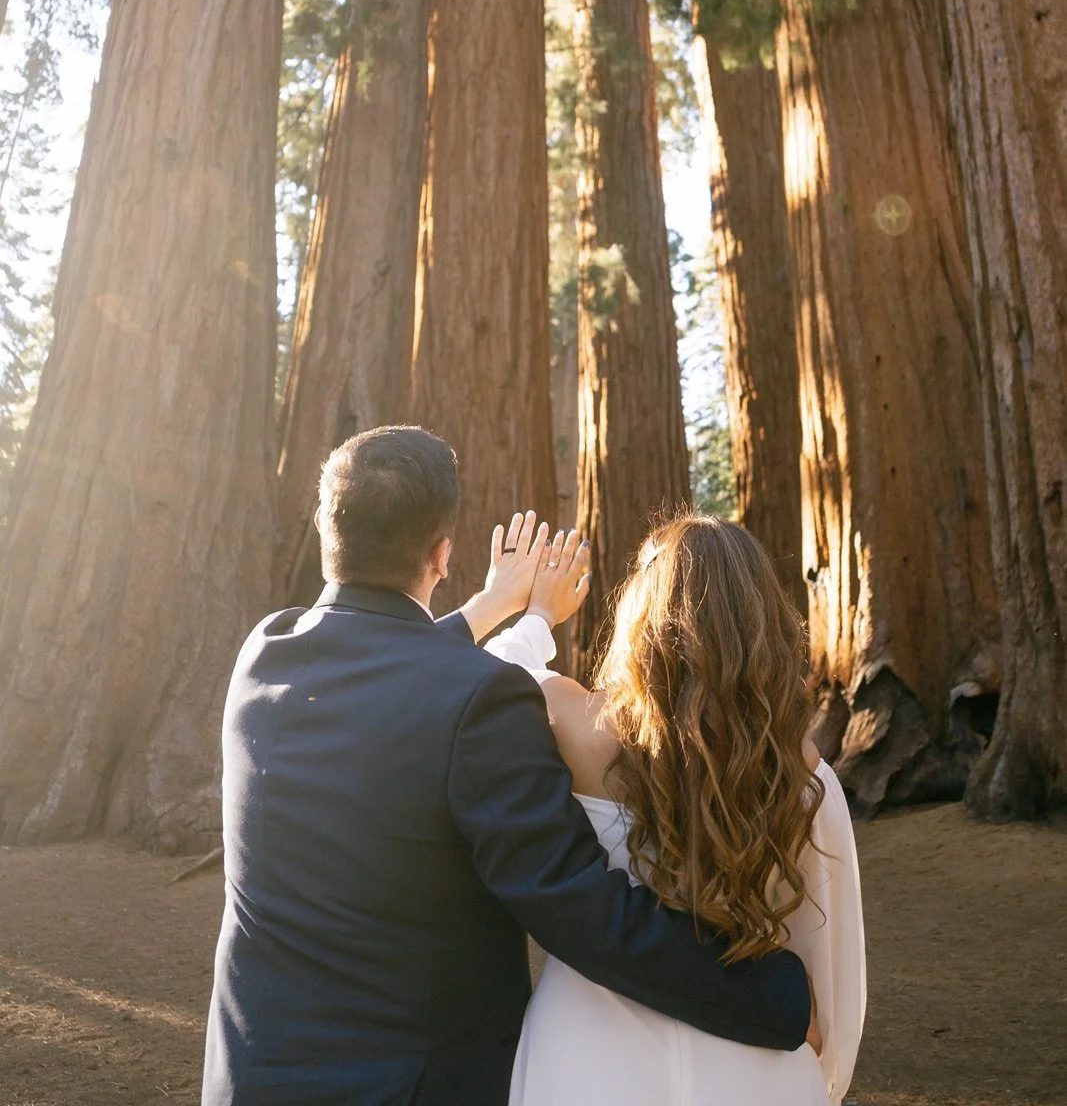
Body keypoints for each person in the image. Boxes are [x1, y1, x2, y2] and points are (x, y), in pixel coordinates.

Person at [201, 426, 814, 1106]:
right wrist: (773, 998)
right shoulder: (480, 699)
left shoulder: (267, 649)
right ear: (442, 552)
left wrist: (502, 605)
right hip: (404, 1087)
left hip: (252, 1075)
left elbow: (390, 664)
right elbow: (575, 905)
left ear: (324, 527)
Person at [487, 513, 866, 1106]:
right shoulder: (800, 772)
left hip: (585, 1061)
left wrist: (537, 615)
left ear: (641, 616)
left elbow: (488, 678)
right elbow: (831, 964)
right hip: (758, 1066)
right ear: (761, 621)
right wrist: (821, 1078)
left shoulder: (569, 723)